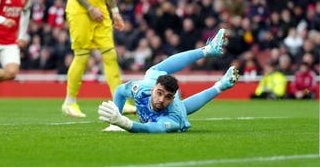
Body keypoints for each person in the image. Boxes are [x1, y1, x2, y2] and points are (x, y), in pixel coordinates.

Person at [97, 28, 239, 133]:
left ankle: (220, 85)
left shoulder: (172, 118)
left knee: (183, 109)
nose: (161, 99)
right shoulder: (142, 88)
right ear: (153, 89)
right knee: (152, 71)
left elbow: (149, 129)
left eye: (167, 97)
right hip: (153, 82)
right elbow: (120, 91)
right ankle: (208, 51)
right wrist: (114, 123)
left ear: (172, 98)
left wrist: (122, 122)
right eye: (159, 93)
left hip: (176, 110)